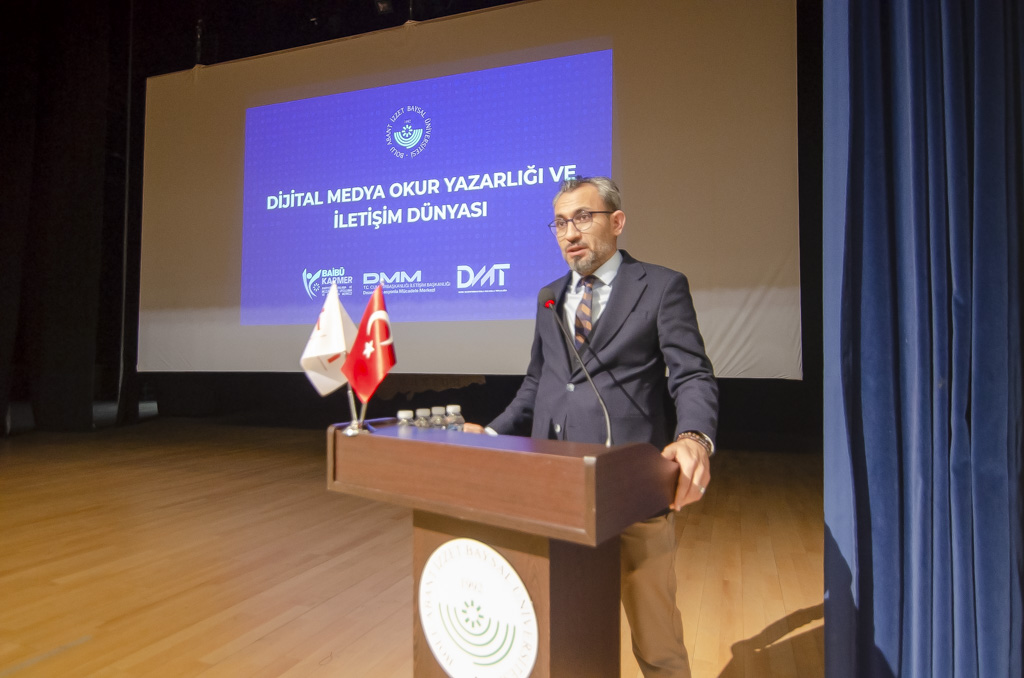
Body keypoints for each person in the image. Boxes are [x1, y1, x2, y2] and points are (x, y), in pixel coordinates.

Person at [464, 176, 718, 677]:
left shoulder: (660, 286)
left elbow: (692, 374)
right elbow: (538, 383)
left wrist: (693, 437)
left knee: (657, 640)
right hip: (552, 487)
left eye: (583, 217)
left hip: (630, 486)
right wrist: (492, 433)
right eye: (560, 223)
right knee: (563, 631)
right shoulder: (549, 297)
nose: (570, 233)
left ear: (616, 222)